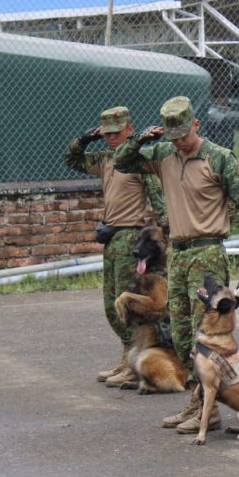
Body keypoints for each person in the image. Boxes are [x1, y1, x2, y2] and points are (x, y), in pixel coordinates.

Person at [114, 95, 239, 434]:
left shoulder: (219, 158)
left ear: (196, 124)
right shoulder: (164, 154)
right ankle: (199, 401)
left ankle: (208, 410)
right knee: (181, 334)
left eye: (184, 134)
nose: (180, 142)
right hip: (178, 253)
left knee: (206, 338)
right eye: (173, 137)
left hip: (207, 252)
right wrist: (139, 140)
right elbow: (122, 162)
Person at [64, 106, 166, 385]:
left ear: (130, 130)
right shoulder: (105, 159)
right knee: (111, 304)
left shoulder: (139, 161)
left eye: (116, 133)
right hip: (111, 237)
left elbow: (158, 199)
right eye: (106, 133)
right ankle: (127, 356)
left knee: (128, 303)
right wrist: (85, 139)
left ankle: (132, 364)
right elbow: (71, 159)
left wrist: (164, 232)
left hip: (130, 237)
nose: (110, 138)